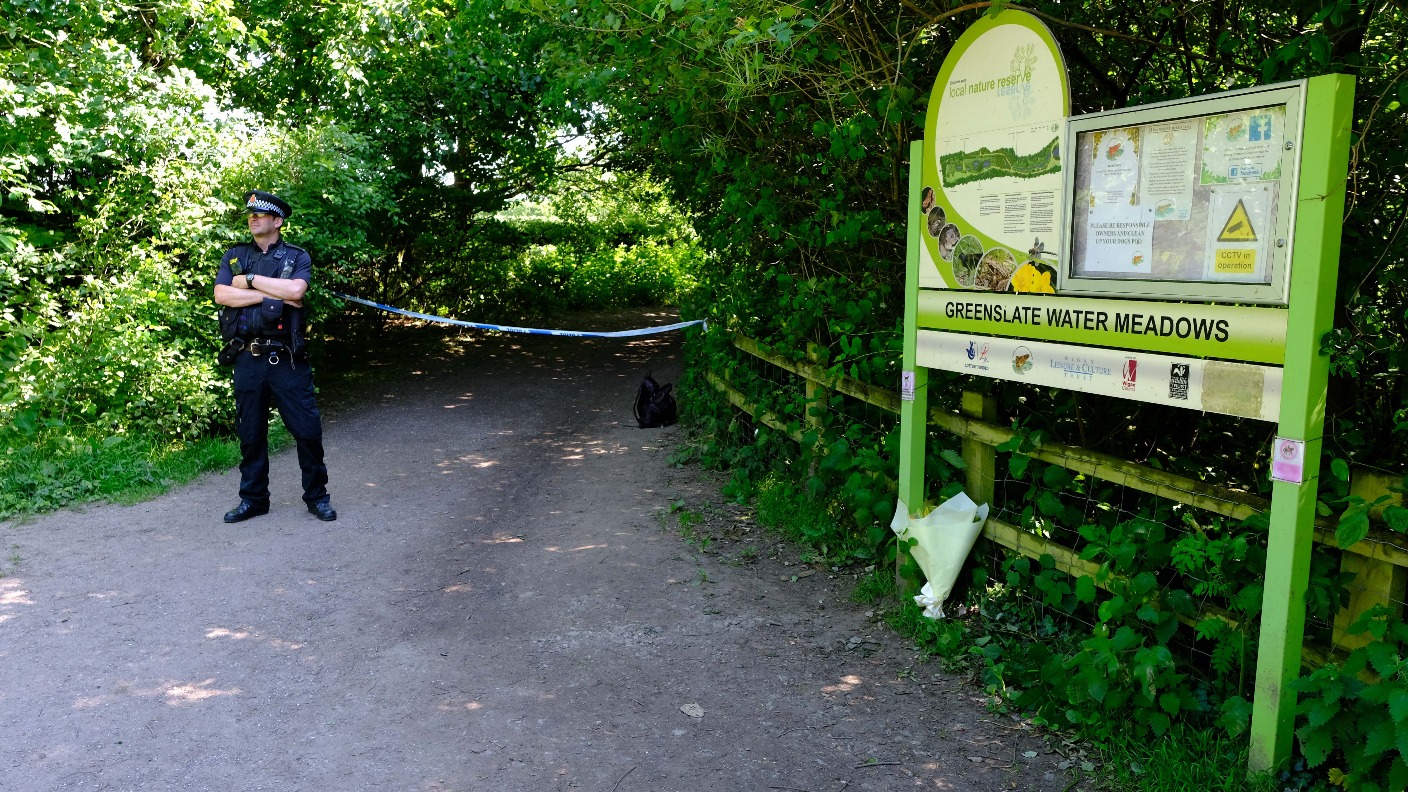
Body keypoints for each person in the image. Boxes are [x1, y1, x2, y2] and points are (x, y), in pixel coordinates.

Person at [213, 190, 337, 523]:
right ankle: (253, 499)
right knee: (251, 434)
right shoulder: (234, 256)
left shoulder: (296, 257)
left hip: (287, 360)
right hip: (247, 358)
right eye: (250, 215)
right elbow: (222, 294)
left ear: (277, 221)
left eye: (260, 215)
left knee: (307, 431)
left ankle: (316, 497)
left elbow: (296, 292)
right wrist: (268, 296)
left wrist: (250, 283)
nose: (252, 218)